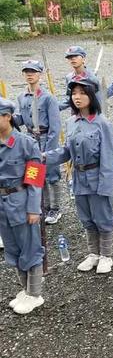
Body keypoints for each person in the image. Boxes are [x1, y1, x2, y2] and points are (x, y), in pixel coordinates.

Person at [44, 77, 113, 274]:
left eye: (82, 93)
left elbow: (109, 158)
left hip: (97, 177)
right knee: (86, 218)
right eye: (74, 93)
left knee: (103, 217)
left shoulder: (102, 123)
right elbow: (66, 151)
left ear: (92, 96)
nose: (77, 97)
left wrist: (106, 187)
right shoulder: (71, 122)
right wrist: (44, 157)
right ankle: (93, 253)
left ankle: (106, 255)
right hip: (79, 177)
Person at [0, 98, 45, 315]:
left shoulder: (25, 143)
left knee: (30, 249)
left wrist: (34, 208)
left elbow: (35, 177)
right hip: (2, 205)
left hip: (21, 201)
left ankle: (35, 294)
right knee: (12, 249)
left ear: (7, 117)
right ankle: (25, 289)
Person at [15, 60, 62, 225]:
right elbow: (20, 118)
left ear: (40, 75)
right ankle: (42, 206)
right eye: (26, 72)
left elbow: (55, 127)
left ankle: (55, 208)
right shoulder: (22, 97)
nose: (29, 75)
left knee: (51, 175)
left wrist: (49, 150)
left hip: (46, 138)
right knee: (34, 174)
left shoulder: (48, 98)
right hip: (30, 140)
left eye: (33, 72)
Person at [61, 45, 102, 111]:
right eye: (70, 57)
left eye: (76, 56)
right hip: (75, 114)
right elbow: (69, 98)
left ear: (84, 59)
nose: (73, 59)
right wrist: (55, 107)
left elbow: (98, 100)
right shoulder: (69, 77)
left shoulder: (92, 78)